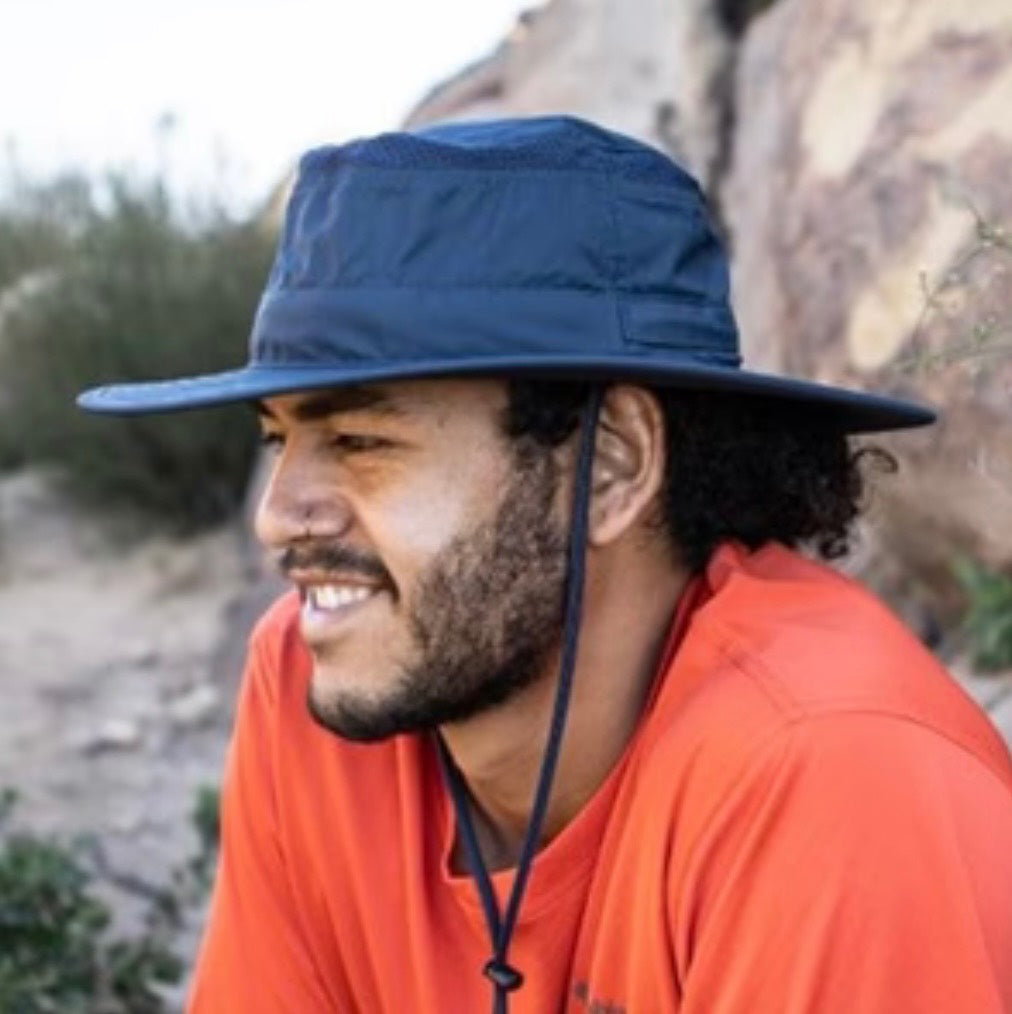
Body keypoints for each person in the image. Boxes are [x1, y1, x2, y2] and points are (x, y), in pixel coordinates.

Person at [79, 116, 1012, 1014]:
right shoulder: (304, 686)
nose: (275, 517)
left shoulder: (835, 779)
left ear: (611, 464)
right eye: (278, 440)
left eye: (362, 439)